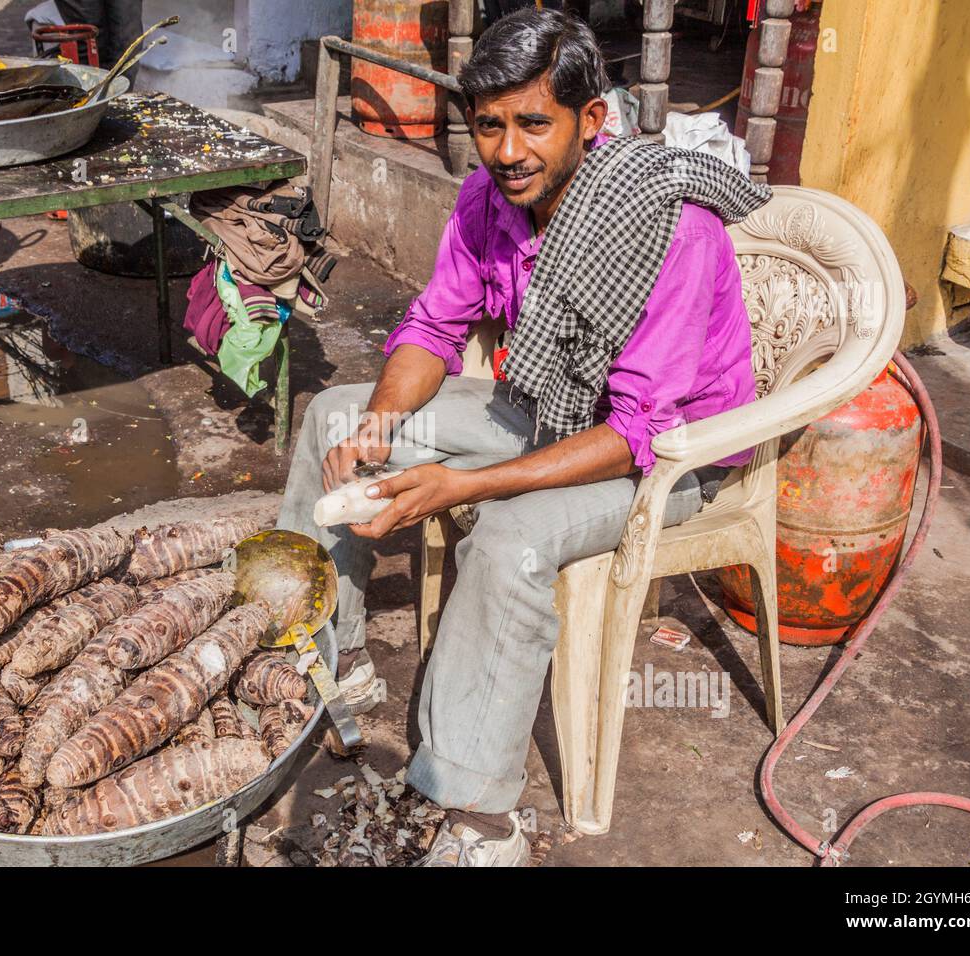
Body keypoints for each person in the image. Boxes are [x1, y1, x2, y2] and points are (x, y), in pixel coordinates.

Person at [276, 7, 768, 866]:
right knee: (336, 416)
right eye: (490, 125)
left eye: (534, 123)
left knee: (505, 539)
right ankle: (328, 660)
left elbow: (635, 433)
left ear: (593, 120)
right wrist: (381, 424)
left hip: (673, 458)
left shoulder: (670, 230)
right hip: (547, 408)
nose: (509, 152)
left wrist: (460, 487)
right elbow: (433, 328)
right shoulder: (486, 200)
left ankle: (479, 814)